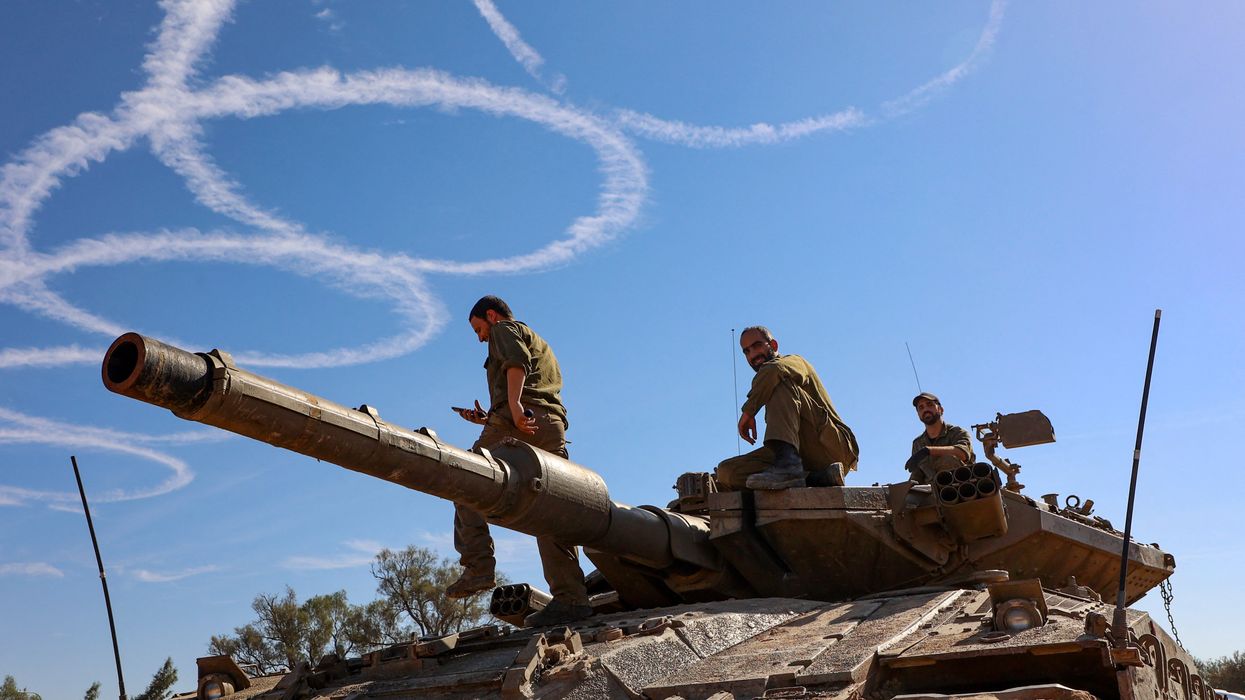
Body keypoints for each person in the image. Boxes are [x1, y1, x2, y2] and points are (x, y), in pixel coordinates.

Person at [446, 295, 591, 626]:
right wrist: (489, 416)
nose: (480, 337)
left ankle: (478, 566)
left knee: (463, 476)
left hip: (518, 419)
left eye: (479, 328)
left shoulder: (504, 330)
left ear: (492, 316)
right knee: (552, 513)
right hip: (550, 426)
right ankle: (572, 598)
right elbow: (534, 387)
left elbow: (516, 364)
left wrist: (511, 407)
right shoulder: (537, 339)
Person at [716, 326, 859, 490]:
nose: (753, 355)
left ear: (774, 345)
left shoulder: (795, 362)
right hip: (802, 457)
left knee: (779, 382)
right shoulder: (765, 383)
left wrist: (749, 412)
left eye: (757, 346)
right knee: (727, 472)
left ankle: (788, 468)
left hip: (831, 447)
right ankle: (817, 478)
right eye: (747, 351)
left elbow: (774, 370)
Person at [905, 392, 975, 483]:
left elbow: (963, 453)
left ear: (941, 409)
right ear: (918, 414)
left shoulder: (957, 433)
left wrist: (928, 451)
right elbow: (917, 475)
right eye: (921, 407)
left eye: (929, 405)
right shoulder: (918, 443)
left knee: (947, 460)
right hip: (933, 492)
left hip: (962, 488)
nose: (925, 409)